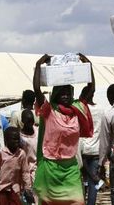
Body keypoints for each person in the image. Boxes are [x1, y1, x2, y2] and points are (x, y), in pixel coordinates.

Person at [33, 53, 95, 205]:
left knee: (77, 201)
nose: (66, 95)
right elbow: (36, 89)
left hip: (71, 168)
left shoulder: (77, 109)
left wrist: (88, 65)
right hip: (51, 167)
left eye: (68, 92)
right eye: (62, 92)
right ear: (56, 94)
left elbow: (91, 88)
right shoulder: (49, 110)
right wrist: (39, 64)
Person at [0, 127, 33, 205]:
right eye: (14, 139)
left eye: (18, 139)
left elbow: (25, 172)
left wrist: (27, 187)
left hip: (15, 189)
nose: (17, 141)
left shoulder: (21, 154)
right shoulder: (1, 153)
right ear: (7, 140)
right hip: (3, 189)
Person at [79, 86, 103, 205]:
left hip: (82, 150)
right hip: (95, 150)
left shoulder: (81, 108)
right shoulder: (100, 109)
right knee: (93, 183)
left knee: (82, 181)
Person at [19, 109, 38, 204]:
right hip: (24, 171)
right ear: (22, 121)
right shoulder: (19, 137)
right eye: (28, 122)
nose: (30, 124)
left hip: (37, 170)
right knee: (26, 197)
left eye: (32, 121)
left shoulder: (38, 132)